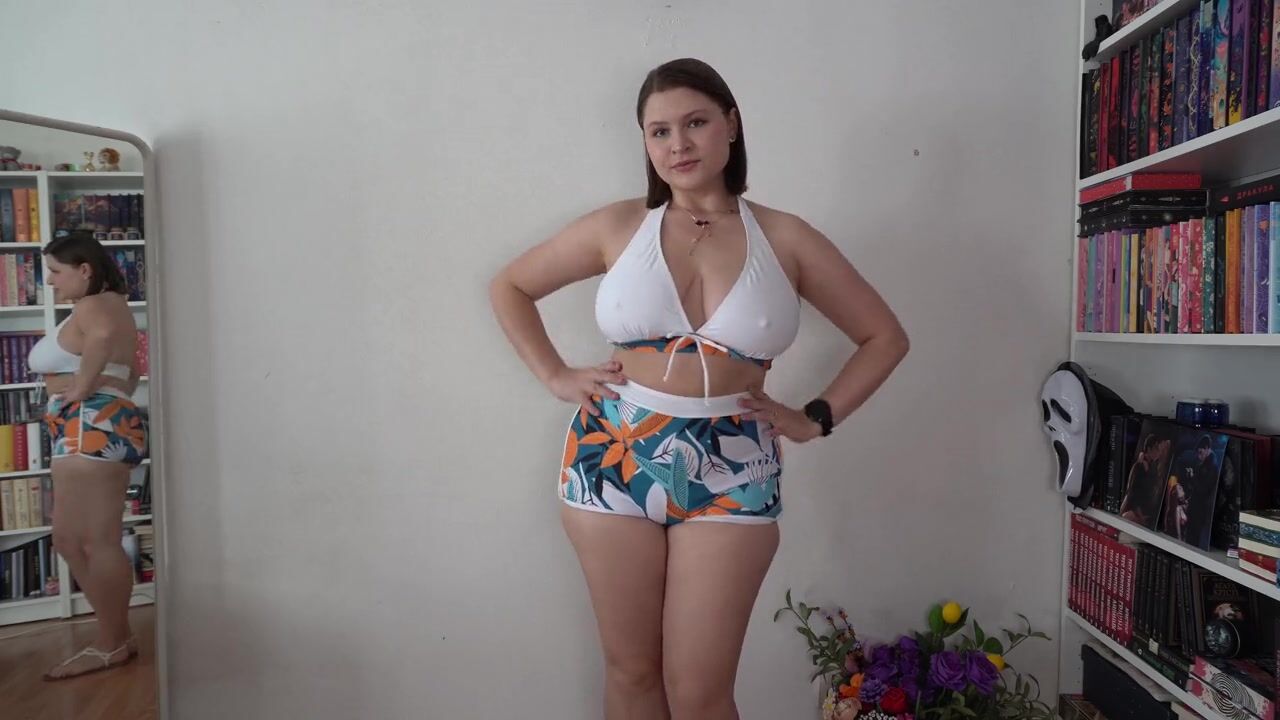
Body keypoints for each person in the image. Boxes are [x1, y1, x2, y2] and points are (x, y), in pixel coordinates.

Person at [489, 58, 908, 719]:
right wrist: (555, 375)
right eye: (659, 131)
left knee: (701, 694)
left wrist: (813, 418)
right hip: (611, 455)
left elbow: (884, 336)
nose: (678, 145)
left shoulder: (786, 238)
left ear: (730, 125)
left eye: (695, 123)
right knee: (631, 673)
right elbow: (510, 286)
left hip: (732, 465)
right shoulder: (617, 225)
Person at [27, 231, 148, 681]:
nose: (50, 281)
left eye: (55, 272)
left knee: (94, 540)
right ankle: (116, 636)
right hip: (94, 423)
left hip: (88, 425)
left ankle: (112, 644)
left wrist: (79, 389)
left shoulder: (95, 305)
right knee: (70, 540)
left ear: (85, 270)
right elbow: (130, 373)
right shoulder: (113, 304)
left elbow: (100, 339)